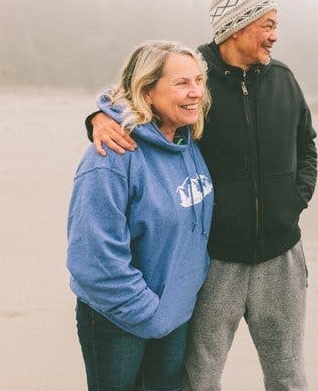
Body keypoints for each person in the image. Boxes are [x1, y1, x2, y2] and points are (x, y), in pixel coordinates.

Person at [89, 0, 318, 391]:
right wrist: (98, 119)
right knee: (199, 378)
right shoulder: (194, 76)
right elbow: (134, 95)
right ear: (237, 27)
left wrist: (295, 200)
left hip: (281, 256)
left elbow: (307, 143)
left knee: (288, 375)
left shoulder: (284, 79)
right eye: (267, 24)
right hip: (213, 260)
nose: (274, 35)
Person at [67, 41, 213, 391]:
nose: (196, 93)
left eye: (198, 80)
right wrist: (148, 312)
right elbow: (93, 258)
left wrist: (174, 305)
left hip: (174, 313)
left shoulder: (187, 139)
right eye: (181, 83)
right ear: (148, 91)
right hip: (118, 319)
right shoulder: (112, 157)